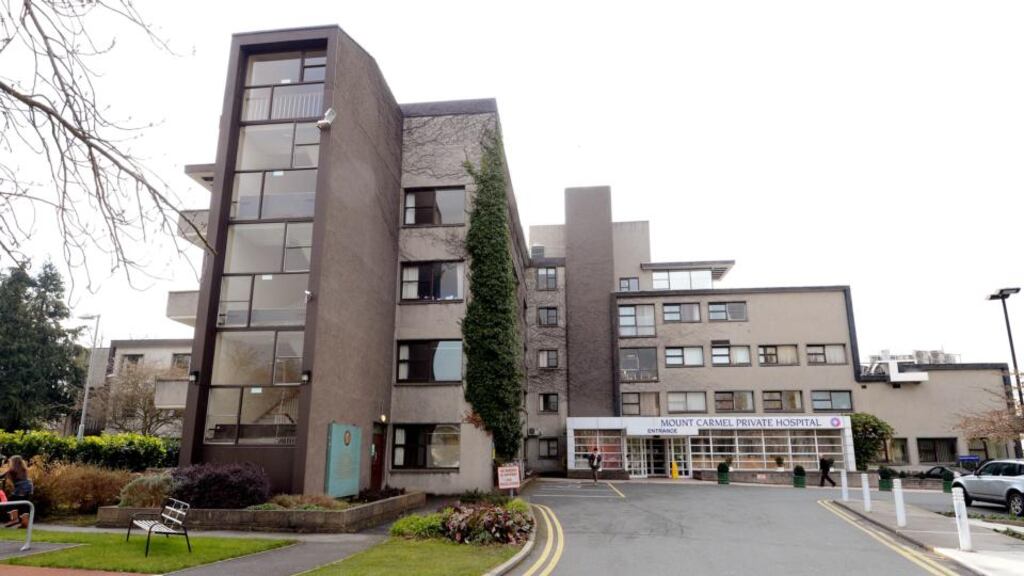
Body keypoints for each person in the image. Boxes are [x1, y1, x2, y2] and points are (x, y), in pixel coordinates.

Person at [0, 456, 33, 528]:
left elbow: (1, 476)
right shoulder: (23, 469)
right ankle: (25, 523)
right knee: (24, 504)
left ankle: (14, 519)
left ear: (13, 462)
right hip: (29, 487)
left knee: (11, 502)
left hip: (21, 488)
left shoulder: (12, 470)